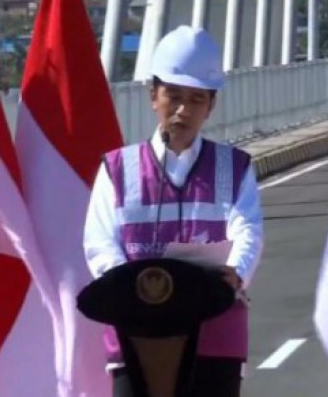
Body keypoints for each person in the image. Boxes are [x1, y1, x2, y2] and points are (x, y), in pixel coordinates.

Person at [83, 25, 264, 397]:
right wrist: (134, 288)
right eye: (174, 96)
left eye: (197, 99)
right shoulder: (118, 168)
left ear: (211, 105)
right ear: (153, 96)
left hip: (215, 334)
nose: (183, 110)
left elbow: (249, 231)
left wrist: (235, 273)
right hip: (135, 333)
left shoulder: (235, 167)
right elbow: (100, 243)